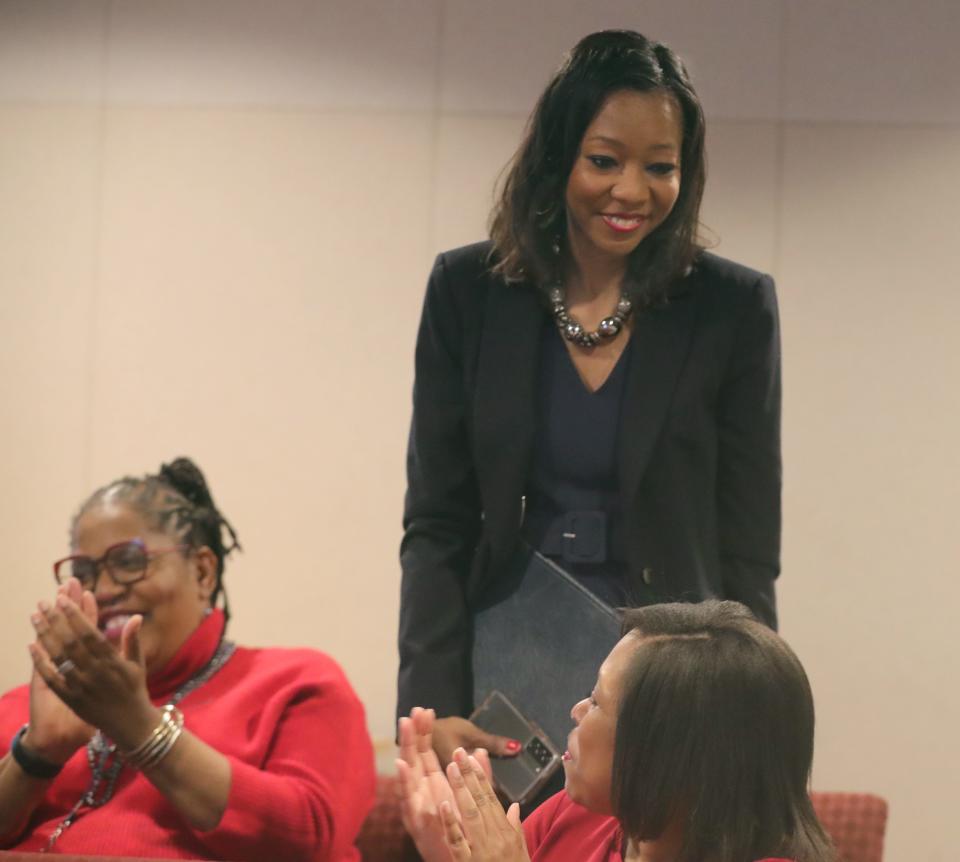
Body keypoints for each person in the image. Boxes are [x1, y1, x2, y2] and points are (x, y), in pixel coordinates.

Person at [398, 28, 782, 763]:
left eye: (660, 167)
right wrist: (431, 703)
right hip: (504, 667)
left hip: (670, 680)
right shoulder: (468, 293)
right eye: (605, 160)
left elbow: (748, 548)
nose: (632, 191)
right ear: (558, 156)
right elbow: (436, 526)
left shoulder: (734, 308)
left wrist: (748, 705)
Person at [0, 457, 375, 860]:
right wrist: (38, 754)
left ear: (202, 573)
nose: (103, 589)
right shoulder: (30, 707)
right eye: (86, 572)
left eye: (128, 561)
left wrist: (137, 726)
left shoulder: (295, 683)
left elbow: (309, 840)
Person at [397, 601, 834, 862]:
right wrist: (450, 849)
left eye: (598, 701)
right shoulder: (576, 815)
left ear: (666, 752)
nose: (576, 710)